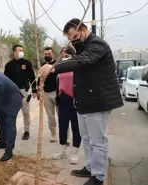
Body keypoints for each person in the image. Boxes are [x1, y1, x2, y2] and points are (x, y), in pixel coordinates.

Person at [38, 18, 123, 185]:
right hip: (83, 101)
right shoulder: (83, 46)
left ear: (84, 29)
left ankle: (98, 176)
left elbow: (83, 60)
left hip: (97, 101)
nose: (74, 39)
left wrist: (54, 67)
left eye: (75, 35)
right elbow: (78, 60)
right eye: (71, 38)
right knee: (86, 138)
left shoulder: (97, 45)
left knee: (98, 141)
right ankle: (90, 167)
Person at [52, 45, 81, 165]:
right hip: (63, 100)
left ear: (73, 56)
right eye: (63, 56)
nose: (64, 58)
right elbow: (57, 84)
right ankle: (62, 150)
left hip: (74, 101)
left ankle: (75, 152)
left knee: (76, 127)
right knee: (62, 126)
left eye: (67, 56)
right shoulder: (59, 69)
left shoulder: (77, 68)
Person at [4, 44, 37, 140]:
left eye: (22, 50)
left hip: (24, 91)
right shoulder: (9, 65)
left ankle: (26, 131)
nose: (21, 52)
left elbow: (32, 77)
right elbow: (5, 79)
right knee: (12, 113)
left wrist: (34, 90)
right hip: (12, 92)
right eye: (19, 50)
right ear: (15, 52)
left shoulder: (27, 63)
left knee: (26, 112)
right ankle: (11, 131)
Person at [37, 47, 58, 142]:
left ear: (53, 54)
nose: (47, 55)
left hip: (57, 93)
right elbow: (39, 78)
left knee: (61, 115)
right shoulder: (42, 65)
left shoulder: (58, 64)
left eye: (49, 54)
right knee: (50, 116)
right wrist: (38, 90)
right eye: (45, 54)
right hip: (46, 93)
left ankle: (65, 135)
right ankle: (53, 134)